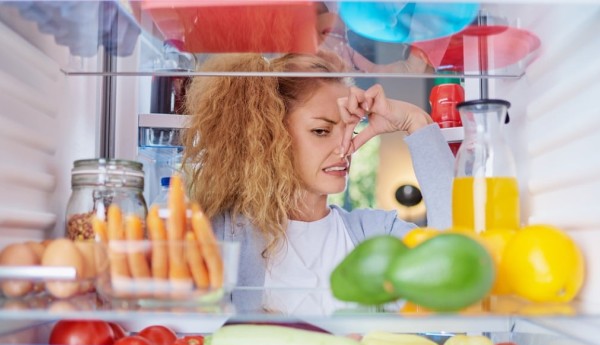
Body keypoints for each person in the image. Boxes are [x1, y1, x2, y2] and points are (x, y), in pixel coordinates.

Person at [182, 51, 454, 313]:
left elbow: (458, 260)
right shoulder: (220, 233)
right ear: (271, 136)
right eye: (321, 131)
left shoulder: (377, 232)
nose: (344, 147)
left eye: (350, 130)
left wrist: (414, 121)